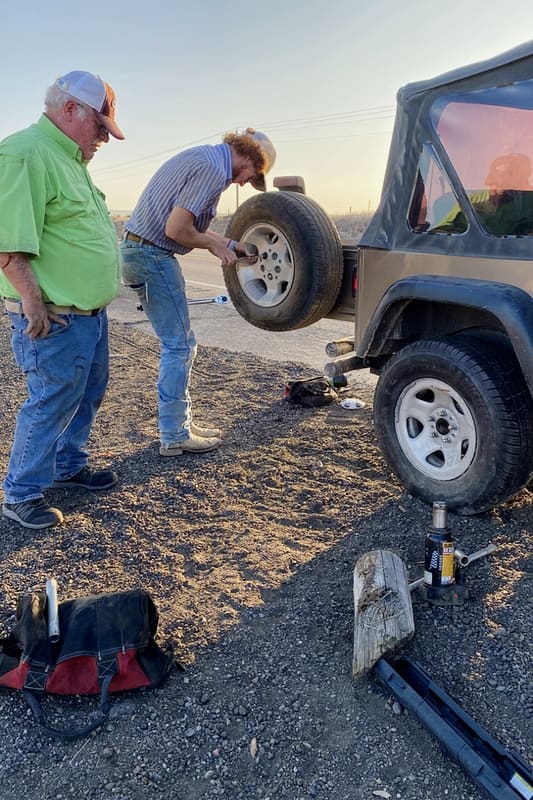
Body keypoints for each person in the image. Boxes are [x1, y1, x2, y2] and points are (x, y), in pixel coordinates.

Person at [0, 70, 125, 530]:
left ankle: (66, 466)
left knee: (87, 392)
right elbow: (8, 245)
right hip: (56, 317)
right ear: (71, 109)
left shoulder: (69, 159)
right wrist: (32, 304)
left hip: (88, 316)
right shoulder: (25, 153)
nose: (103, 140)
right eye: (100, 127)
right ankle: (21, 493)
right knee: (50, 399)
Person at [120, 128, 276, 457]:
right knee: (179, 345)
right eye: (252, 174)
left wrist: (230, 245)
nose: (247, 182)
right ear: (247, 156)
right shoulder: (215, 170)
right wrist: (215, 248)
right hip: (151, 256)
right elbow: (176, 230)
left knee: (179, 343)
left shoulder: (206, 158)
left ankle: (180, 424)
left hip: (141, 252)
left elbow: (194, 228)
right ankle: (174, 434)